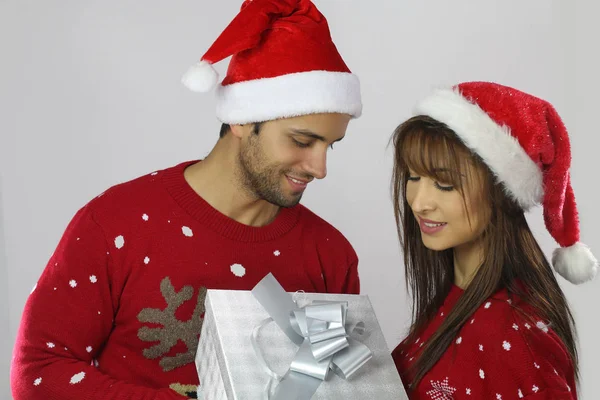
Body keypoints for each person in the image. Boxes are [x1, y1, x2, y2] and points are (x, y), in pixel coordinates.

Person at [10, 1, 363, 398]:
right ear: (243, 119)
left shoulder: (330, 255)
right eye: (302, 140)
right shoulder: (115, 223)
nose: (319, 168)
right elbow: (39, 372)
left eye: (330, 146)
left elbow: (339, 387)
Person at [390, 82, 598, 399]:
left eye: (444, 184)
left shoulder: (515, 335)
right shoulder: (457, 298)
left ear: (500, 193)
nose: (419, 202)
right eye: (413, 177)